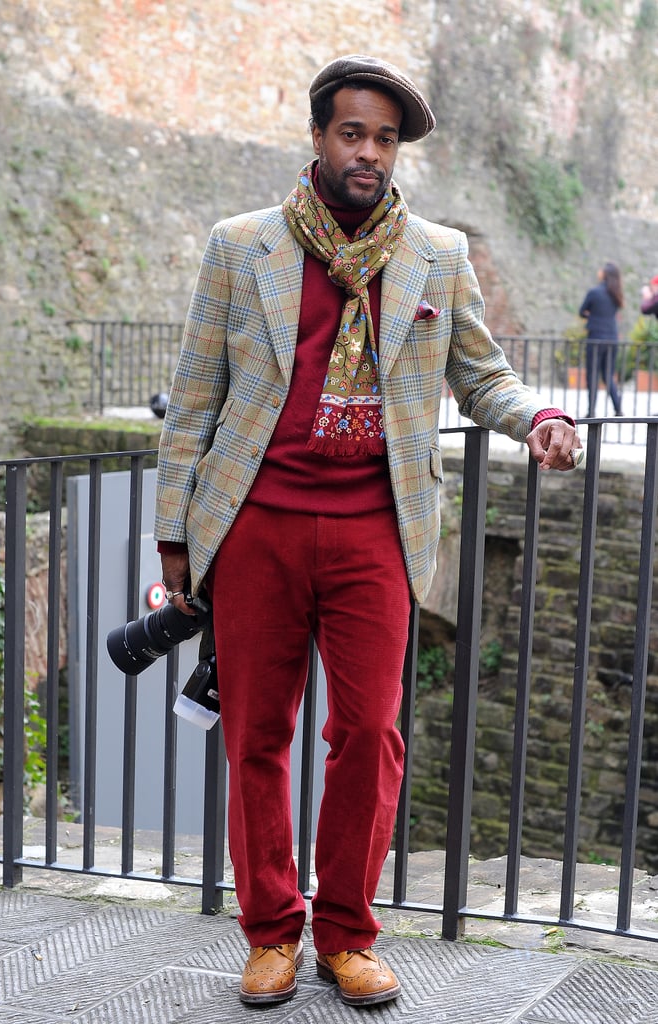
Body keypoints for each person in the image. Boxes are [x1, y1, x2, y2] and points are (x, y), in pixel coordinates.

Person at [154, 54, 581, 1009]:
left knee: (372, 735)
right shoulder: (241, 246)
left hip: (376, 533)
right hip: (257, 523)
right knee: (258, 736)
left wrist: (536, 421)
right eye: (352, 133)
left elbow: (481, 376)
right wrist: (175, 536)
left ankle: (345, 932)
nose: (368, 154)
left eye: (384, 140)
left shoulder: (433, 252)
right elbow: (194, 400)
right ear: (317, 138)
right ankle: (271, 933)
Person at [578, 261, 624, 417]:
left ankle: (591, 411)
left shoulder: (594, 292)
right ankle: (618, 408)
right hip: (612, 338)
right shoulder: (616, 294)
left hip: (596, 338)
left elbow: (582, 311)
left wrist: (591, 315)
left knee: (592, 374)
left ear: (604, 274)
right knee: (608, 374)